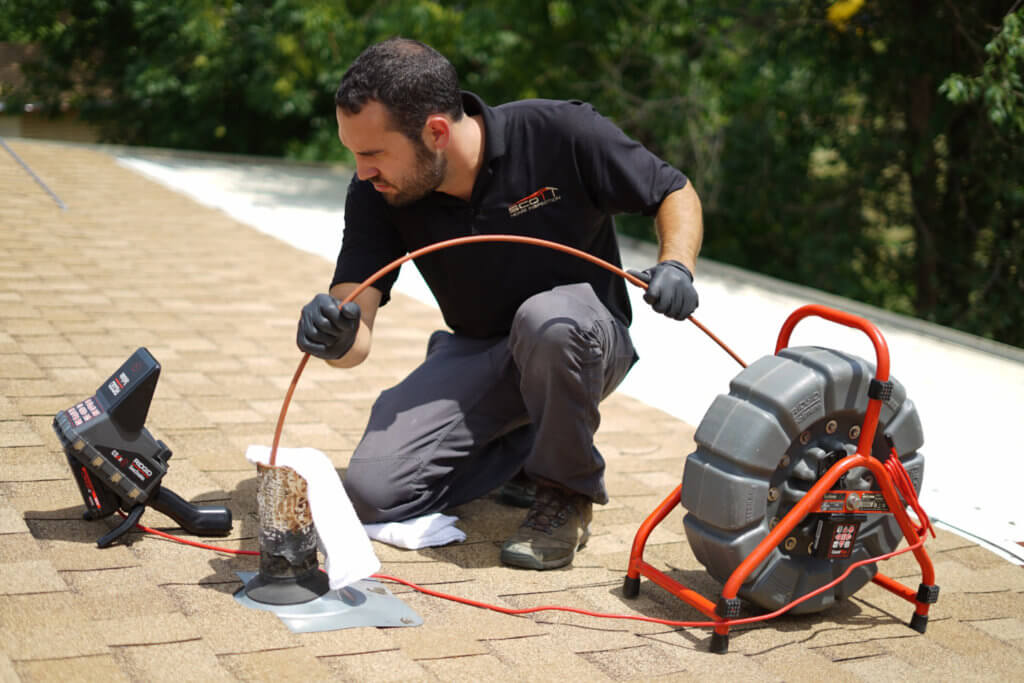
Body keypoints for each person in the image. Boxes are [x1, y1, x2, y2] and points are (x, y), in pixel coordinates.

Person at [297, 37, 703, 571]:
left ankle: (565, 494)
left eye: (372, 153)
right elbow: (355, 337)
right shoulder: (379, 191)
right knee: (375, 490)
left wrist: (676, 264)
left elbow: (674, 190)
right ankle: (530, 445)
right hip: (479, 349)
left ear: (436, 132)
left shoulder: (559, 132)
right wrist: (333, 330)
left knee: (548, 322)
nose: (363, 170)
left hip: (580, 338)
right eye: (354, 152)